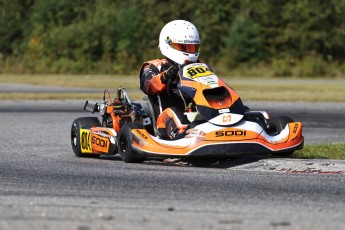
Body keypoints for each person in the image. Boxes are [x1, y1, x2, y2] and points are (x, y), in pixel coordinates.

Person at [139, 20, 201, 140]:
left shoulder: (200, 66)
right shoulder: (155, 66)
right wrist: (165, 76)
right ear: (168, 44)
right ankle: (183, 139)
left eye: (193, 47)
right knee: (175, 114)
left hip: (197, 114)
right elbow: (148, 85)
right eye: (184, 47)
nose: (189, 51)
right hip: (165, 119)